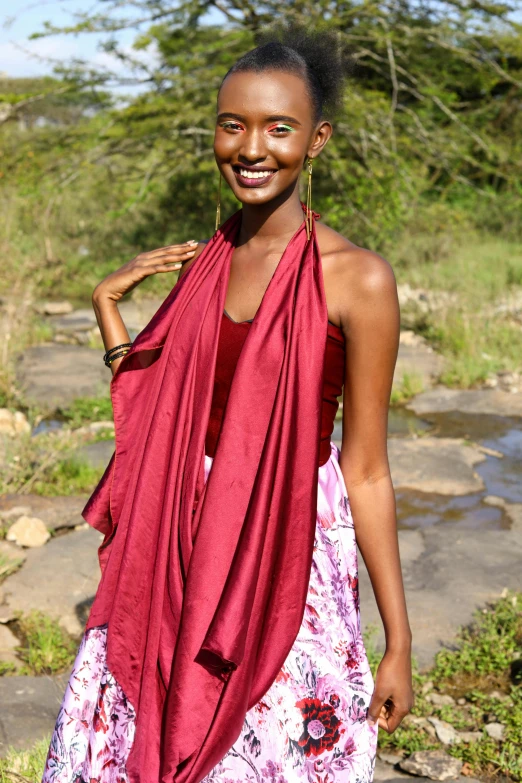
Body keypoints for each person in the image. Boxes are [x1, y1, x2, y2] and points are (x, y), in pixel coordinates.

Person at [41, 25, 413, 783]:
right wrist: (108, 305)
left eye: (280, 128)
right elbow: (161, 406)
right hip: (178, 533)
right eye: (232, 124)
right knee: (139, 720)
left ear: (317, 141)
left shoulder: (358, 279)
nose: (252, 147)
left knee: (270, 745)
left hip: (289, 547)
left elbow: (367, 468)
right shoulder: (210, 260)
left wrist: (399, 640)